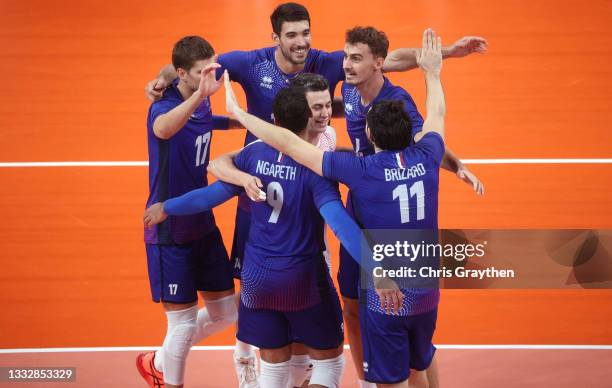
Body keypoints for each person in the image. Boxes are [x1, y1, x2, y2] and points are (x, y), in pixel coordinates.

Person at [145, 4, 486, 384]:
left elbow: (222, 179)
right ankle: (256, 360)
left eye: (306, 33)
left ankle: (299, 367)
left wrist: (172, 203)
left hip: (285, 224)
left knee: (280, 307)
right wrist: (163, 78)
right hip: (339, 228)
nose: (301, 41)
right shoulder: (260, 72)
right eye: (291, 34)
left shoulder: (288, 142)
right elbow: (425, 138)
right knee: (339, 332)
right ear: (275, 37)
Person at [221, 27, 452, 387]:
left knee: (391, 378)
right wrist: (433, 73)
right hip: (425, 280)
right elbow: (436, 113)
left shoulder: (360, 171)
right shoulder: (428, 154)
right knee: (420, 361)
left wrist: (241, 114)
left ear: (369, 136)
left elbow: (292, 146)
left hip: (385, 286)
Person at [144, 86, 403, 388]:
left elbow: (210, 195)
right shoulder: (316, 167)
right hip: (303, 281)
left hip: (257, 281)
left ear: (274, 121)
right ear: (308, 118)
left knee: (273, 370)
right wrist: (378, 269)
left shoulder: (254, 154)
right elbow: (341, 225)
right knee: (329, 364)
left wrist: (167, 207)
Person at [208, 72, 338, 388]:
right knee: (321, 360)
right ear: (299, 112)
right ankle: (243, 357)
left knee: (293, 355)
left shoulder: (324, 138)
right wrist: (244, 179)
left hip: (300, 256)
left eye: (326, 106)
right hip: (297, 261)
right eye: (315, 108)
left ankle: (261, 363)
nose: (322, 115)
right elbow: (219, 165)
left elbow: (218, 167)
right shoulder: (306, 156)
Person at [136, 36, 237, 388]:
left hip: (202, 224)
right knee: (180, 325)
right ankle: (168, 379)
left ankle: (158, 361)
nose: (210, 75)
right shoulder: (163, 106)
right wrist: (198, 95)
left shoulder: (201, 78)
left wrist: (238, 123)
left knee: (227, 312)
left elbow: (205, 120)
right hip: (169, 228)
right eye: (200, 72)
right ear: (184, 74)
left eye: (211, 66)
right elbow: (163, 129)